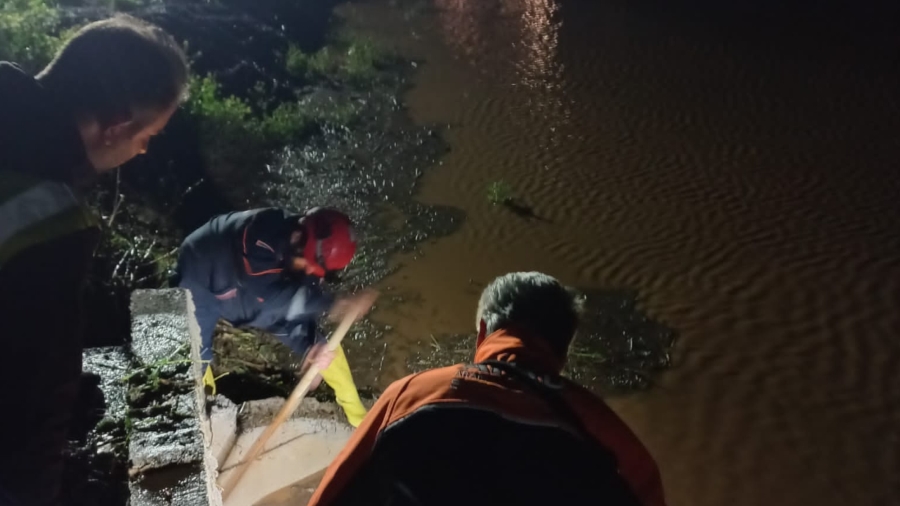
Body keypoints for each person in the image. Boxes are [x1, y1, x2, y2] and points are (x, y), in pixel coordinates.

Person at [0, 15, 189, 506]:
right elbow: (32, 404)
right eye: (148, 134)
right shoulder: (51, 221)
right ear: (116, 126)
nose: (143, 149)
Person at [308, 272, 668, 506]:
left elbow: (332, 492)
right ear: (563, 350)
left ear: (482, 331)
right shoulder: (603, 430)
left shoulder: (410, 394)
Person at [174, 207, 376, 427]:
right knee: (196, 356)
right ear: (299, 238)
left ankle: (360, 420)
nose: (310, 272)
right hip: (204, 276)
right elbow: (271, 297)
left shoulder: (306, 256)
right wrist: (334, 303)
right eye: (308, 265)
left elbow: (301, 297)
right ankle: (203, 422)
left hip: (249, 293)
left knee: (322, 345)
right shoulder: (259, 234)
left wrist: (312, 349)